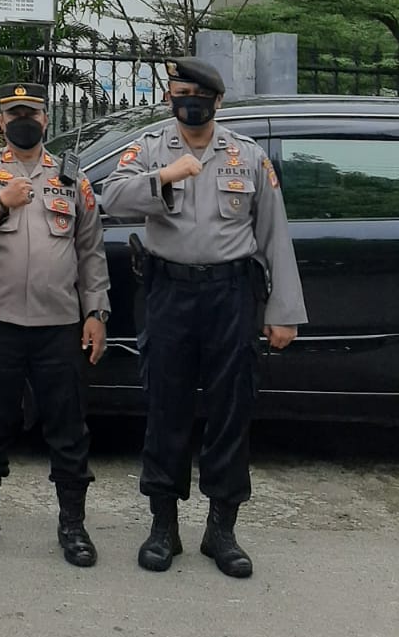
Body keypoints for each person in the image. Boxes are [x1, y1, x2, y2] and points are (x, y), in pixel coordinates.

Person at [103, 57, 306, 578]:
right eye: (179, 91)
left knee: (231, 410)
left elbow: (273, 235)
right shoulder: (150, 148)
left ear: (217, 101)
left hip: (230, 295)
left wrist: (282, 312)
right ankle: (163, 527)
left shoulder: (248, 157)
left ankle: (221, 530)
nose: (187, 100)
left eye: (198, 93)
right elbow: (112, 198)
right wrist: (165, 177)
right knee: (166, 408)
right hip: (169, 292)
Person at [0, 81, 110, 565]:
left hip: (57, 323)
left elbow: (91, 250)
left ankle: (73, 525)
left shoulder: (70, 177)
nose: (24, 119)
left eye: (32, 112)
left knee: (68, 427)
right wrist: (2, 202)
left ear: (46, 119)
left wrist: (96, 313)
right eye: (14, 112)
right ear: (1, 121)